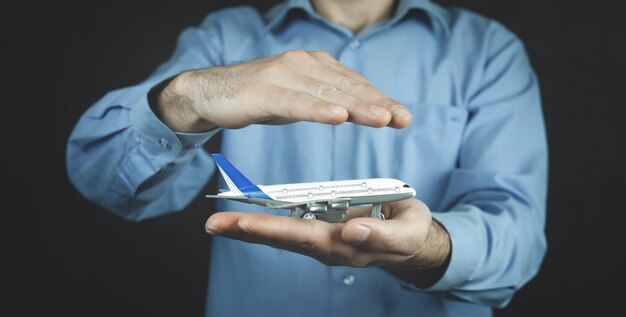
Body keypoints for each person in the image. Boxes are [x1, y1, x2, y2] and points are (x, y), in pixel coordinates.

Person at [66, 0, 548, 316]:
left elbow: (520, 234)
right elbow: (100, 179)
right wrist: (188, 97)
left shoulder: (486, 50)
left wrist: (429, 247)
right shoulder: (227, 37)